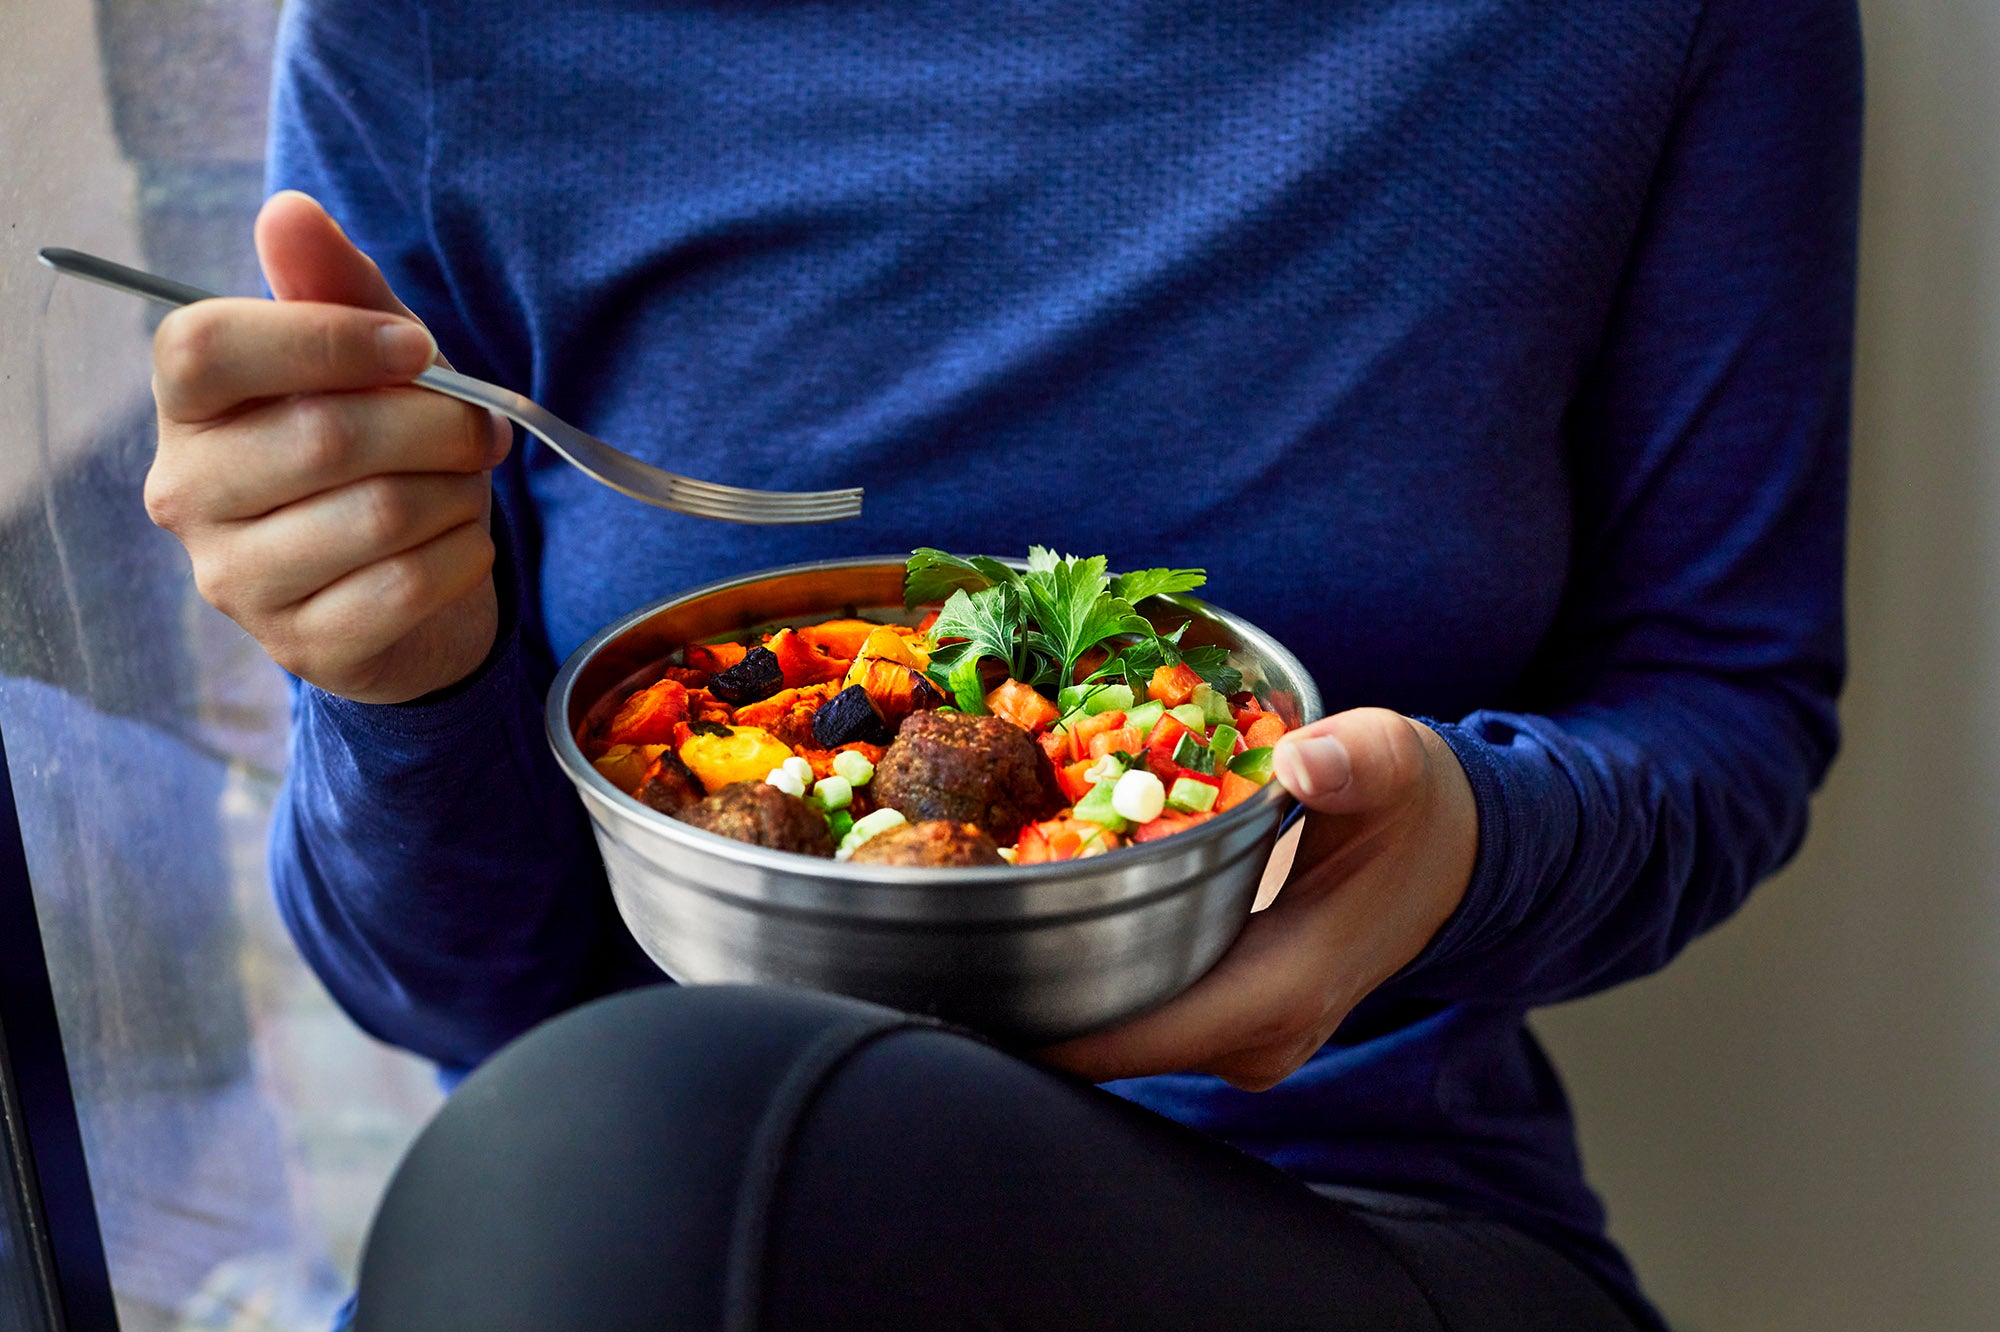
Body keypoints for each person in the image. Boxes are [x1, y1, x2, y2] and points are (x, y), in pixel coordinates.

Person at [140, 1, 1862, 1326]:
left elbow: (1727, 707)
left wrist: (1470, 845)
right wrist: (401, 685)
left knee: (633, 1132)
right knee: (617, 1139)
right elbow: (454, 993)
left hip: (1344, 1220)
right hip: (616, 1244)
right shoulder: (441, 32)